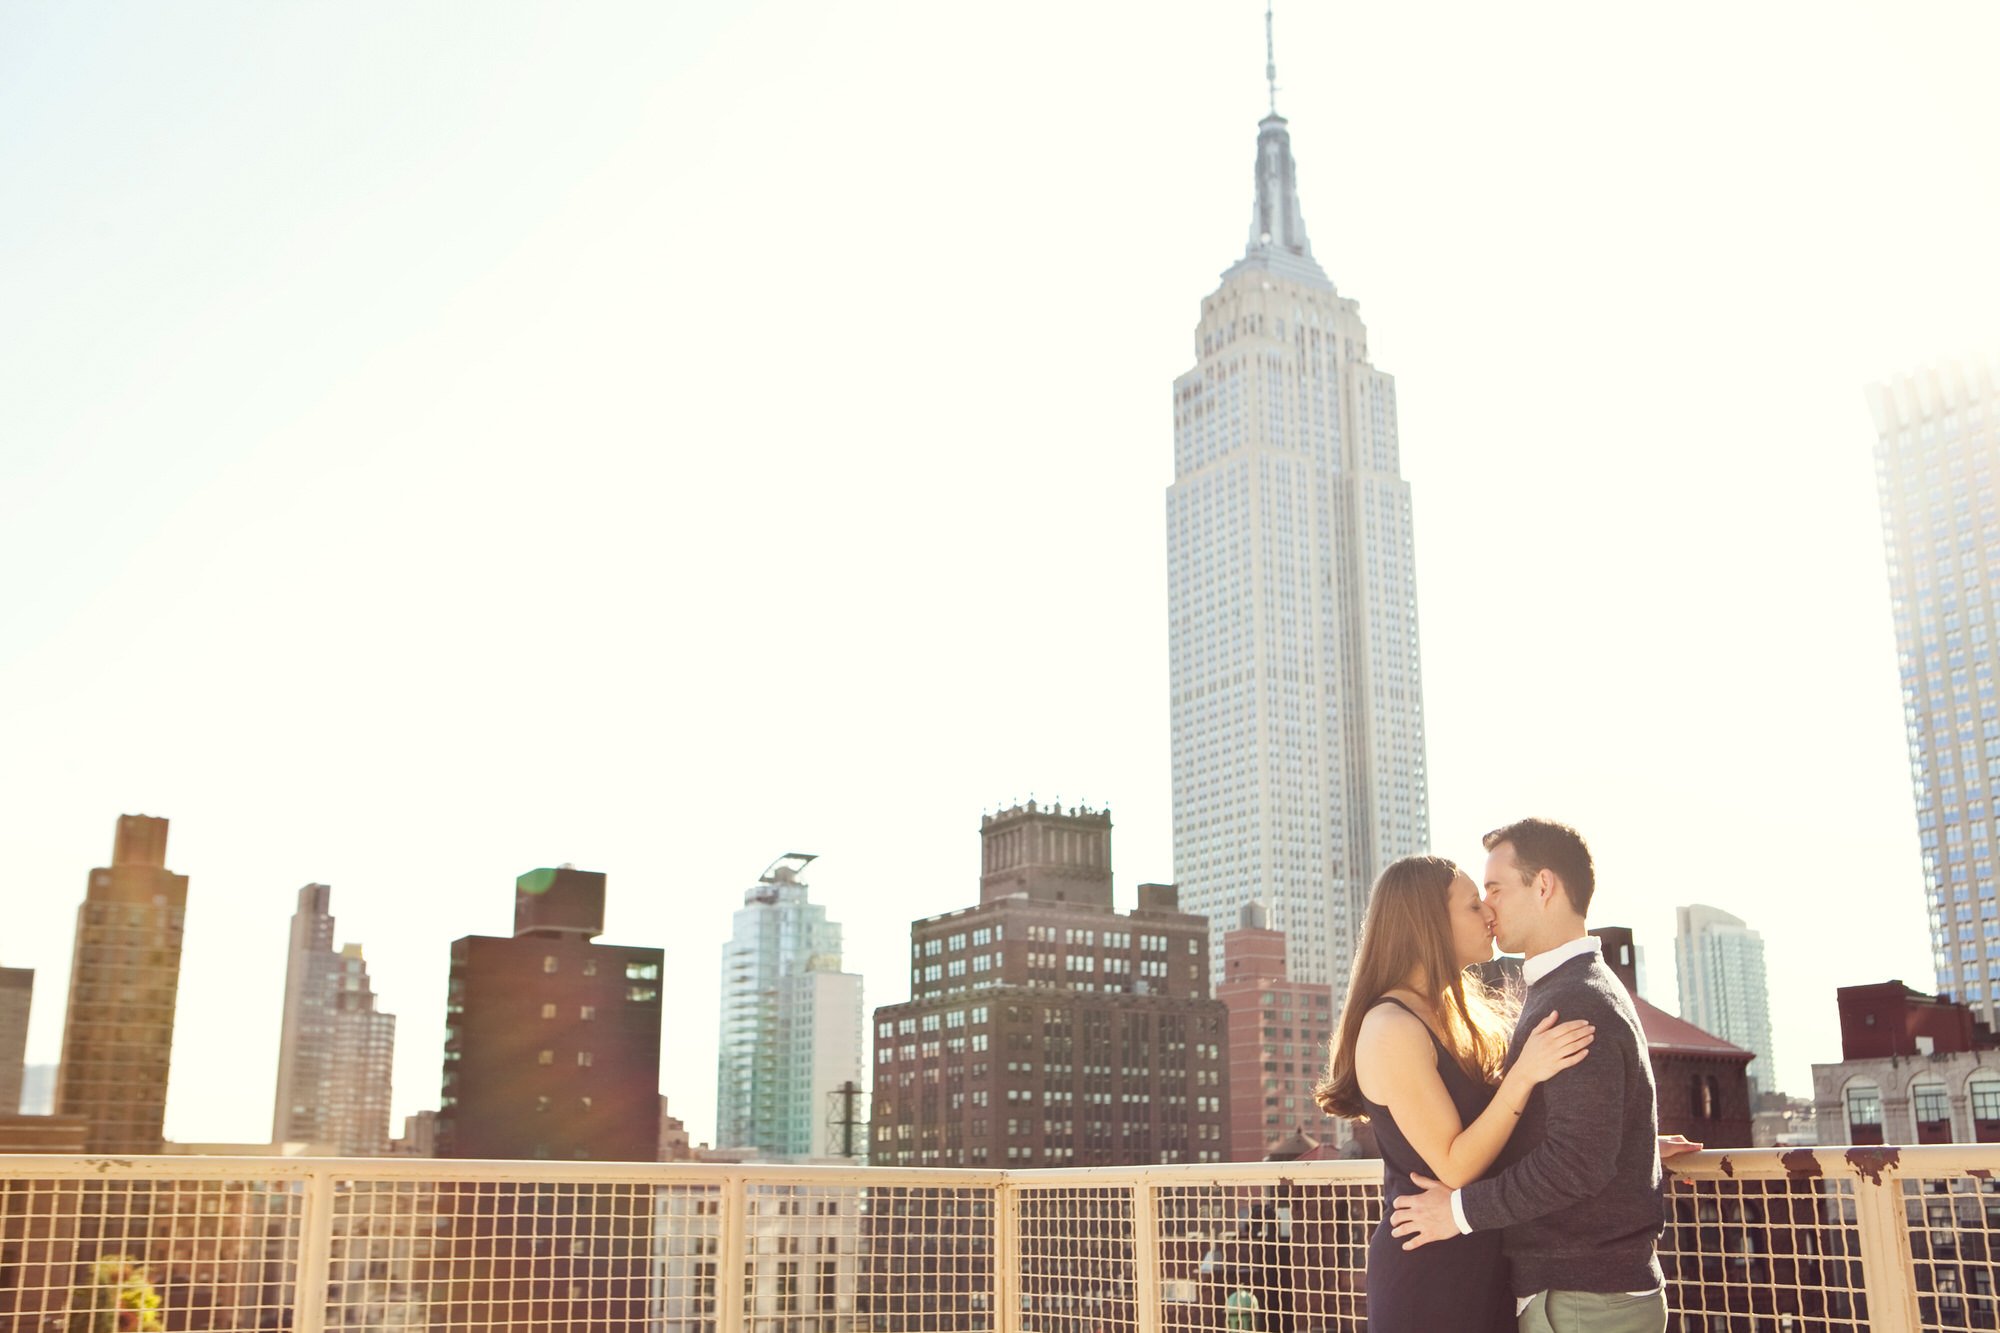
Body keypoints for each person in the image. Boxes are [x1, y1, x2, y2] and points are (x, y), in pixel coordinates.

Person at [1389, 819, 1700, 1333]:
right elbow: (1582, 1140)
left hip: (1583, 1301)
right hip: (1583, 1295)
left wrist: (1458, 1212)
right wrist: (1630, 1143)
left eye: (1494, 888)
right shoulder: (1567, 985)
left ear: (1543, 886)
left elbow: (1576, 1164)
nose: (1487, 906)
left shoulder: (1575, 998)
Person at [1314, 854, 1598, 1333]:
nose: (1489, 912)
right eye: (1472, 906)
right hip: (1429, 1276)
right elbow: (1456, 1164)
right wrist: (1523, 1072)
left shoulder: (1454, 1013)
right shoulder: (1390, 1028)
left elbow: (1510, 1137)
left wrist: (1630, 1144)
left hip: (1486, 1259)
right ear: (1427, 922)